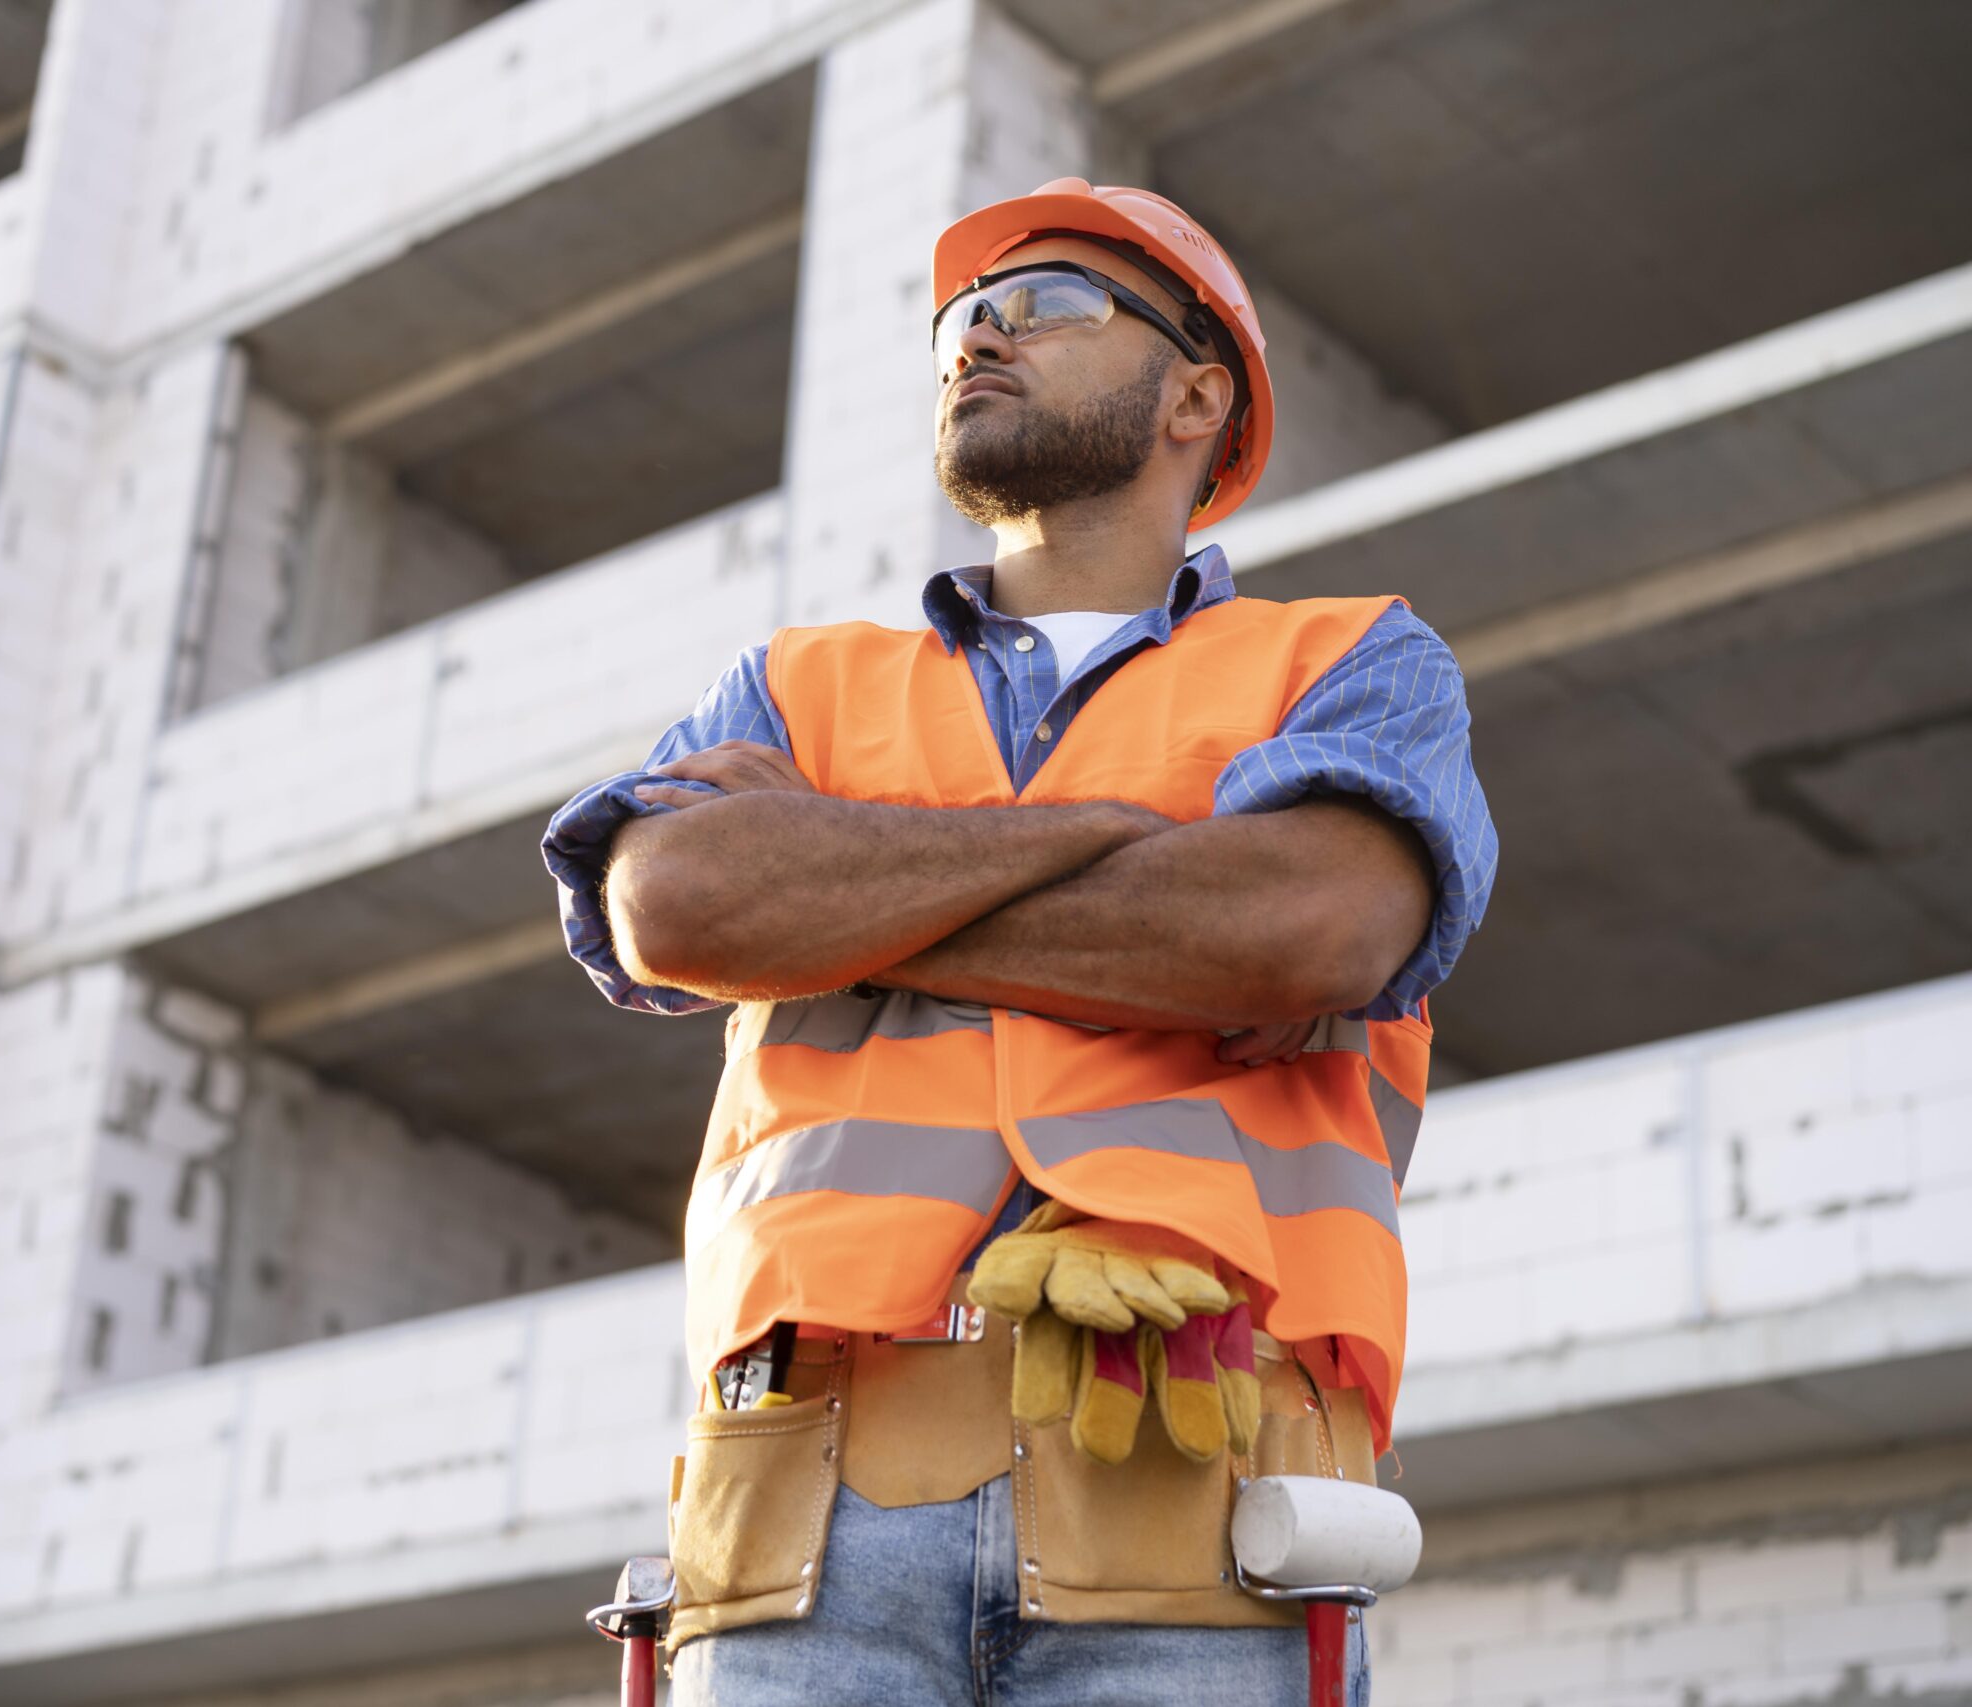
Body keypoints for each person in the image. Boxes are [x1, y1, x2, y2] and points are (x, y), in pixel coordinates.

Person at [543, 179, 1496, 1706]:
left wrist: (850, 898)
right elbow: (681, 909)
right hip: (810, 1490)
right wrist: (1113, 836)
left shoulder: (1352, 660)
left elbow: (1312, 927)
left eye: (1045, 303)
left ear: (1196, 394)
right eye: (960, 323)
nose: (980, 337)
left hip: (1206, 1487)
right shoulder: (795, 680)